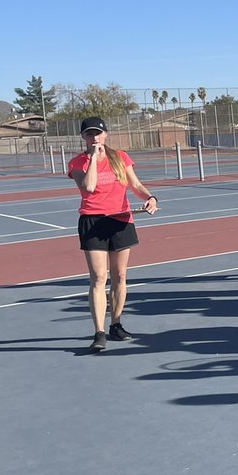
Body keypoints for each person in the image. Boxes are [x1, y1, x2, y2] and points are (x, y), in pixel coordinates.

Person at [67, 116, 159, 352]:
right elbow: (88, 187)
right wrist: (94, 161)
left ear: (105, 134)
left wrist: (150, 198)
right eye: (89, 134)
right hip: (93, 222)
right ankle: (99, 332)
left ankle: (115, 324)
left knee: (120, 276)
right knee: (98, 278)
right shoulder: (77, 163)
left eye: (98, 133)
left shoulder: (120, 157)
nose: (94, 137)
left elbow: (135, 186)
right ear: (83, 137)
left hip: (121, 220)